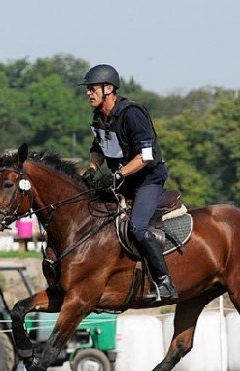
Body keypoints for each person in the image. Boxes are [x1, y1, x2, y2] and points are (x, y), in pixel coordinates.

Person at [79, 64, 177, 301]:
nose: (88, 93)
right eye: (88, 89)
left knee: (138, 227)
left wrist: (118, 174)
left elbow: (145, 156)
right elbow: (97, 148)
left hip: (147, 179)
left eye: (93, 89)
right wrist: (92, 167)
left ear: (109, 89)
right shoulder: (99, 117)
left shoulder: (132, 114)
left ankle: (164, 282)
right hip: (123, 179)